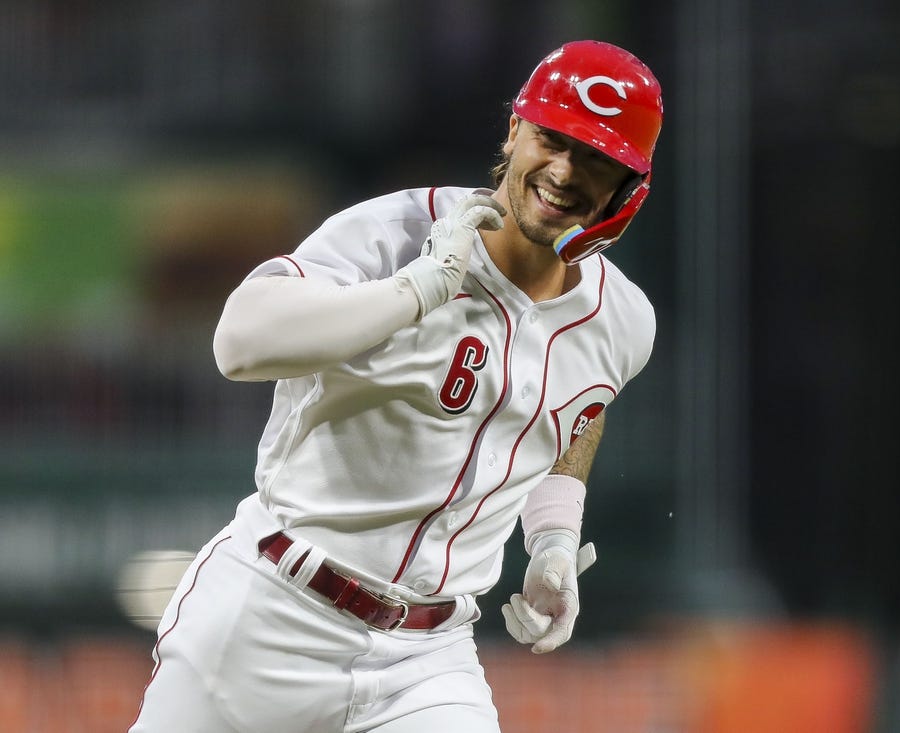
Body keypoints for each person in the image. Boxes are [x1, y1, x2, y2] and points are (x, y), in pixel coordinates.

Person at [129, 39, 663, 733]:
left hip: (427, 660)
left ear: (628, 187)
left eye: (594, 157)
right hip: (271, 614)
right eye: (552, 139)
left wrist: (555, 535)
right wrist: (415, 290)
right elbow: (238, 343)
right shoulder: (398, 233)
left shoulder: (623, 321)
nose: (563, 171)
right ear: (514, 130)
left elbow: (578, 408)